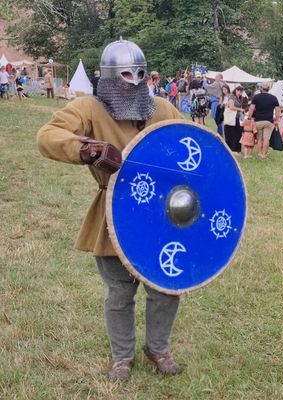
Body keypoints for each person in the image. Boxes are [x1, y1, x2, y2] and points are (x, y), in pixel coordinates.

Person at [37, 39, 184, 382]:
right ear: (106, 78)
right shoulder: (90, 108)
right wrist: (84, 149)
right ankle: (122, 357)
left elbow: (193, 143)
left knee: (166, 285)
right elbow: (48, 136)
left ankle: (158, 348)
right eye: (124, 75)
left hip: (161, 214)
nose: (132, 82)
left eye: (139, 74)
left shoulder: (162, 109)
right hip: (114, 211)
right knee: (120, 291)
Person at [247, 82, 281, 159]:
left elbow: (251, 108)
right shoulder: (274, 98)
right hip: (269, 121)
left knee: (259, 138)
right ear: (268, 89)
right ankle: (264, 154)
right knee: (266, 138)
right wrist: (277, 120)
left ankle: (259, 152)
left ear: (261, 88)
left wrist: (249, 118)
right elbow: (277, 110)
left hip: (258, 120)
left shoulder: (256, 97)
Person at [224, 86, 244, 154]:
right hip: (231, 117)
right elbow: (231, 106)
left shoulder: (239, 98)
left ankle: (236, 149)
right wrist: (240, 109)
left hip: (236, 117)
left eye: (241, 92)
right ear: (236, 90)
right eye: (239, 91)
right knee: (231, 134)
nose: (240, 93)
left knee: (237, 133)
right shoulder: (232, 96)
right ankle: (231, 149)